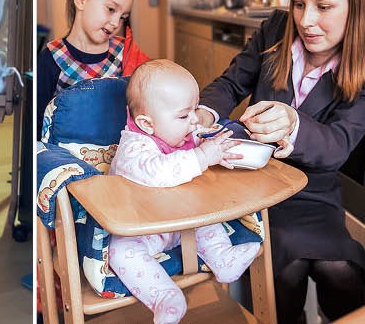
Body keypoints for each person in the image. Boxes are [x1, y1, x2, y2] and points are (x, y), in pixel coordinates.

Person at [196, 0, 365, 323]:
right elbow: (231, 84)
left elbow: (337, 145)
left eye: (324, 6)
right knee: (285, 270)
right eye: (299, 4)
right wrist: (202, 114)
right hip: (254, 188)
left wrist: (293, 124)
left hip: (313, 195)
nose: (306, 20)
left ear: (356, 8)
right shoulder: (275, 29)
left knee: (342, 271)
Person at [105, 59, 258, 324]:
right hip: (145, 229)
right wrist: (201, 157)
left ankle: (223, 260)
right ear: (146, 124)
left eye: (195, 110)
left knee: (209, 221)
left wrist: (216, 151)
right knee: (120, 251)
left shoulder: (179, 133)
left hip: (183, 222)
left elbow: (200, 144)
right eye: (183, 115)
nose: (194, 121)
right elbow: (160, 171)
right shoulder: (134, 148)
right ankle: (164, 297)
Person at [37, 0, 149, 134]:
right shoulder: (52, 57)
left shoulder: (125, 51)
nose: (115, 23)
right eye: (111, 9)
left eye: (122, 17)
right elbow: (39, 122)